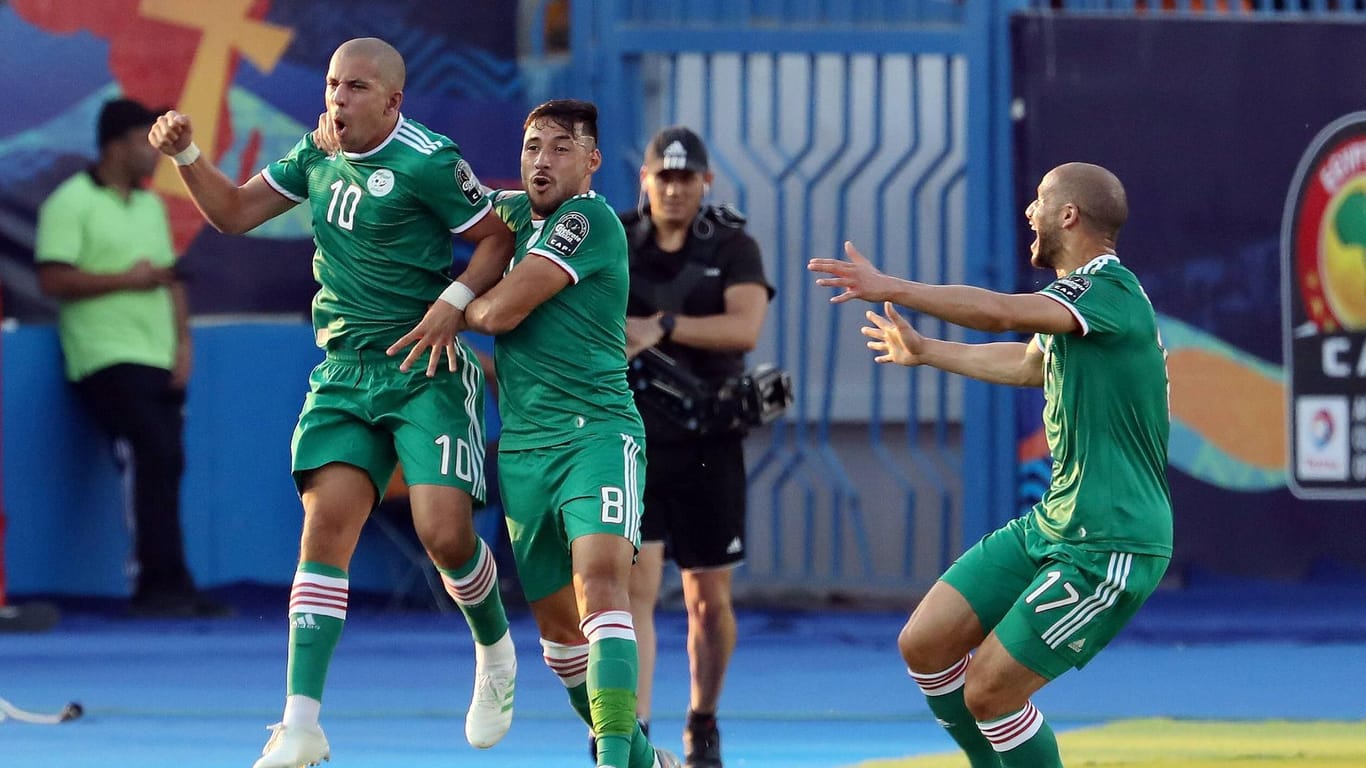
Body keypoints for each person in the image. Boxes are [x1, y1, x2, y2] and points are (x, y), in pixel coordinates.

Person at [147, 38, 518, 768]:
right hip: (346, 373)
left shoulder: (430, 160)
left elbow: (497, 237)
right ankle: (300, 725)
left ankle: (495, 648)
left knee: (444, 535)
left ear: (393, 101)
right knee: (325, 527)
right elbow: (231, 214)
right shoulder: (314, 153)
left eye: (355, 88)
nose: (337, 101)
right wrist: (188, 155)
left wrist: (453, 302)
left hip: (427, 369)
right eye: (331, 85)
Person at [809, 162, 1172, 768]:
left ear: (1069, 216)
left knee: (990, 692)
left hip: (1113, 540)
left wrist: (891, 286)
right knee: (925, 644)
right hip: (1057, 523)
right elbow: (1030, 363)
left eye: (1037, 201)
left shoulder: (1108, 288)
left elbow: (1000, 313)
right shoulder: (1080, 304)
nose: (1028, 213)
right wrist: (927, 352)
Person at [463, 99, 680, 768]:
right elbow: (441, 190)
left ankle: (614, 759)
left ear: (590, 162)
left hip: (595, 434)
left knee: (602, 583)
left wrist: (452, 305)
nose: (542, 160)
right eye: (532, 147)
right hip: (525, 447)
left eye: (560, 148)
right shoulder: (508, 218)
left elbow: (499, 312)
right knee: (560, 637)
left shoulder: (585, 219)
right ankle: (643, 759)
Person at [34, 97, 229, 620]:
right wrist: (127, 279)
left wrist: (184, 346)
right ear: (117, 144)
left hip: (158, 356)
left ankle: (174, 583)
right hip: (103, 356)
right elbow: (52, 278)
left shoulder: (149, 206)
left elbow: (168, 279)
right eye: (144, 140)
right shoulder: (69, 202)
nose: (153, 153)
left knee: (169, 459)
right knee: (149, 455)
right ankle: (153, 584)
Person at [613, 126, 772, 768]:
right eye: (664, 177)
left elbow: (746, 326)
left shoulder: (732, 246)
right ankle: (632, 732)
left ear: (705, 184)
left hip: (709, 439)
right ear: (645, 180)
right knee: (634, 589)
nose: (674, 189)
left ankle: (702, 720)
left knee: (708, 601)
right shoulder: (615, 240)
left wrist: (663, 326)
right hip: (634, 436)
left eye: (687, 178)